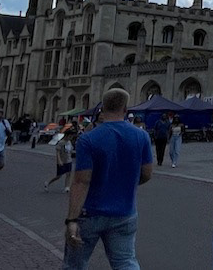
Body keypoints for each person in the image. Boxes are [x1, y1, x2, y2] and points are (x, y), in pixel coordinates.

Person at [63, 88, 153, 269]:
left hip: (90, 213)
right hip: (124, 212)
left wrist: (71, 219)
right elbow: (146, 174)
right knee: (125, 262)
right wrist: (124, 184)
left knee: (75, 265)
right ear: (125, 109)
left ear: (102, 109)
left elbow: (81, 181)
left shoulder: (88, 139)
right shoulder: (141, 136)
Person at [46, 128, 78, 193]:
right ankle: (48, 182)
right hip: (62, 161)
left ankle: (67, 187)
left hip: (69, 160)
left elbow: (70, 151)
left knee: (69, 174)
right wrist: (59, 160)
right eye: (70, 136)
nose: (71, 138)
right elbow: (57, 152)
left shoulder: (69, 142)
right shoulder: (61, 142)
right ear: (66, 135)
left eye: (72, 136)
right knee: (58, 176)